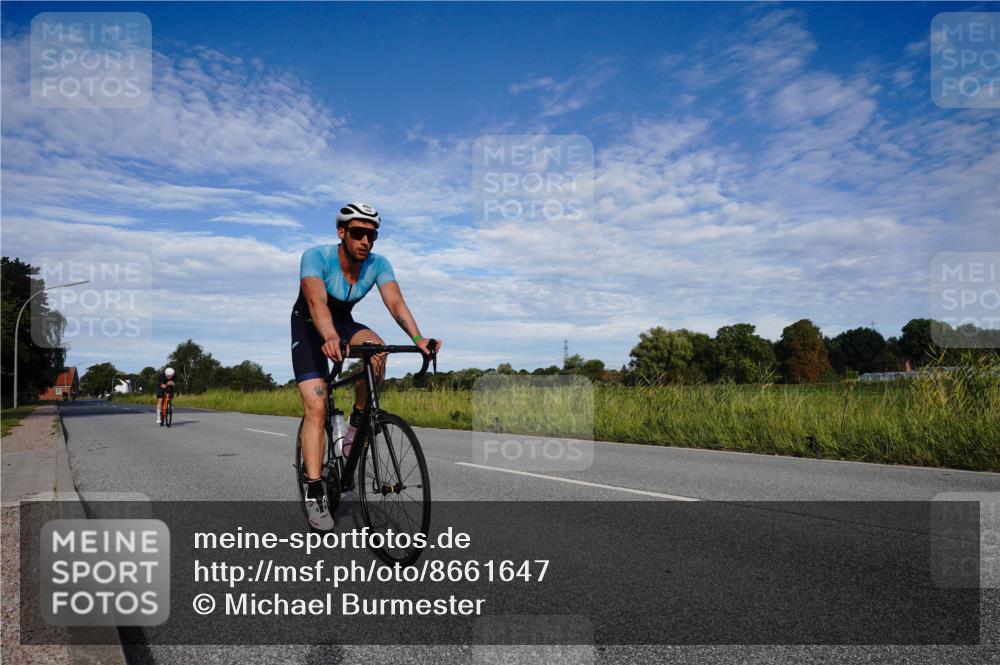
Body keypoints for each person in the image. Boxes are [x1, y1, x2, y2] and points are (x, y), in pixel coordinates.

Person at [291, 202, 440, 531]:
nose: (365, 241)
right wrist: (328, 337)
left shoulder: (377, 263)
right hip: (309, 324)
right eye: (358, 233)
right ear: (342, 233)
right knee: (316, 404)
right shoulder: (316, 257)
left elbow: (395, 300)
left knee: (377, 351)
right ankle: (315, 492)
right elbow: (316, 301)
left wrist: (417, 338)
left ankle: (355, 429)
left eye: (372, 235)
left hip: (343, 322)